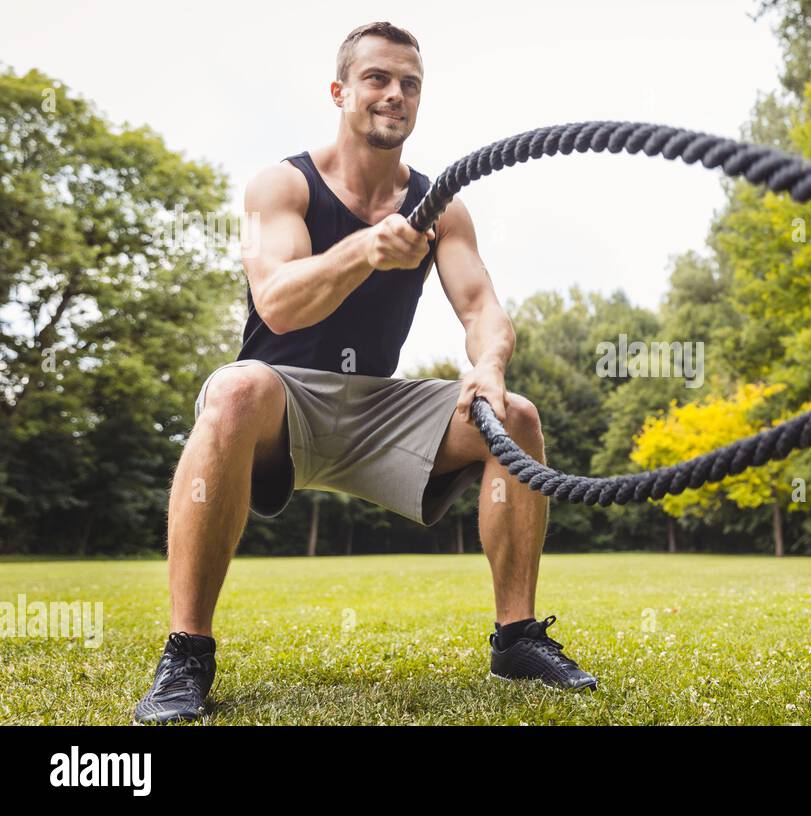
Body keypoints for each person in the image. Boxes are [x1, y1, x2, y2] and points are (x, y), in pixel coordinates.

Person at [134, 22, 595, 724]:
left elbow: (483, 310)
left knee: (518, 415)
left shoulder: (442, 203)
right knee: (233, 387)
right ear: (340, 91)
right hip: (281, 400)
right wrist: (366, 250)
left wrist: (489, 367)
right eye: (378, 78)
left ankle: (517, 639)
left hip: (378, 406)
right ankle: (187, 653)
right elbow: (278, 304)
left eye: (410, 84)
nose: (395, 94)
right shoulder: (278, 184)